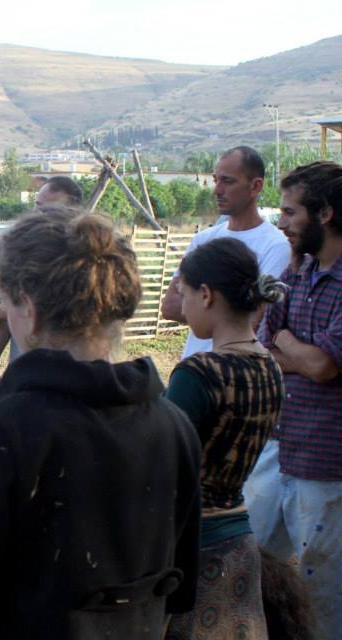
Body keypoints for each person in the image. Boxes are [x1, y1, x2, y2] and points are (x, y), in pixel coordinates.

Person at [0, 208, 202, 639]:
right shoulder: (175, 425)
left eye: (6, 301)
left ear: (28, 308)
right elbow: (180, 589)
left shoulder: (7, 430)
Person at [163, 237, 286, 640]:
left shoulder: (199, 374)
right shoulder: (270, 366)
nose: (182, 308)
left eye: (184, 295)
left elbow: (159, 463)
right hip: (241, 544)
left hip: (190, 548)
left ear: (206, 294)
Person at [244, 160, 342, 640]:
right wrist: (294, 344)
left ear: (323, 214)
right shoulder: (296, 271)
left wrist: (287, 341)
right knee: (254, 571)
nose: (280, 221)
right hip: (278, 447)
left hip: (327, 464)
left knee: (324, 598)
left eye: (289, 211)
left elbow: (326, 367)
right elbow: (264, 347)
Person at [161, 146, 290, 359]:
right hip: (192, 365)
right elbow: (170, 306)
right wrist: (230, 313)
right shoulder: (203, 239)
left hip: (234, 371)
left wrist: (197, 303)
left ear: (256, 186)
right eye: (216, 180)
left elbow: (258, 318)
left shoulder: (276, 246)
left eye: (228, 181)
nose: (217, 190)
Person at [0, 176, 83, 404]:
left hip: (68, 387)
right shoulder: (24, 254)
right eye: (38, 206)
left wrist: (4, 311)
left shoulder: (82, 260)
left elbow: (72, 314)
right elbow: (5, 316)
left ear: (73, 212)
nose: (38, 215)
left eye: (49, 209)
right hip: (22, 380)